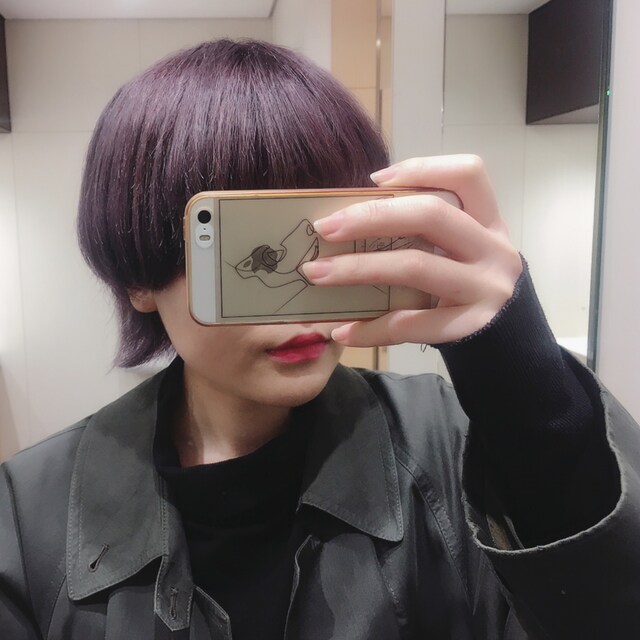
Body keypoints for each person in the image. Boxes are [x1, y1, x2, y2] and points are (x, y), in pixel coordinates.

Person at [0, 38, 637, 640]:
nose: (299, 298)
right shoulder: (29, 515)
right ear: (139, 277)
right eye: (246, 245)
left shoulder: (450, 444)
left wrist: (530, 390)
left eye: (323, 236)